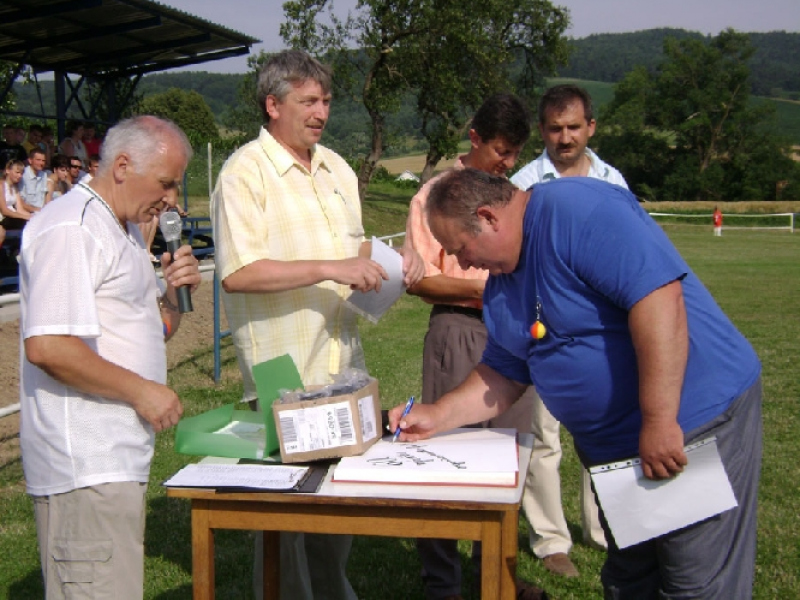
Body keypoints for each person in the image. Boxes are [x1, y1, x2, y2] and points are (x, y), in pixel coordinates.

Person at [390, 168, 762, 599]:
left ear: (488, 217)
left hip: (691, 422)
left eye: (461, 249)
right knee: (632, 580)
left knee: (695, 583)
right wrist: (436, 415)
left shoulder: (579, 209)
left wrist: (660, 420)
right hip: (616, 449)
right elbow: (502, 373)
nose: (464, 263)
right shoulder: (502, 285)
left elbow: (658, 300)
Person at [211, 49, 424, 600]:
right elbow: (238, 272)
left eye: (326, 100)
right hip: (282, 371)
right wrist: (333, 267)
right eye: (308, 100)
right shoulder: (242, 174)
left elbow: (348, 247)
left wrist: (395, 264)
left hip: (341, 361)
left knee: (337, 509)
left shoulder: (337, 168)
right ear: (272, 104)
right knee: (284, 519)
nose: (321, 111)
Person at [19, 115, 202, 599]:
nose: (171, 199)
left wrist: (171, 299)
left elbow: (141, 336)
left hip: (114, 464)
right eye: (165, 183)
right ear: (122, 165)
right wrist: (143, 392)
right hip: (84, 467)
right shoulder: (72, 228)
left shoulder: (116, 229)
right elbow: (48, 345)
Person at [404, 93, 545, 600]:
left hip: (512, 335)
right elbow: (420, 280)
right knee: (441, 454)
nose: (507, 163)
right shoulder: (434, 198)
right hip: (459, 329)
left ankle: (497, 573)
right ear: (475, 138)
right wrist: (488, 290)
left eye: (514, 155)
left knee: (511, 455)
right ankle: (442, 581)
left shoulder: (513, 195)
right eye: (501, 152)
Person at [509, 84, 630, 572]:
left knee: (602, 430)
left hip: (604, 329)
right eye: (555, 128)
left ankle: (602, 528)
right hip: (543, 327)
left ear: (591, 128)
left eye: (573, 128)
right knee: (544, 434)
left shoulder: (613, 182)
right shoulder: (524, 185)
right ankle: (551, 540)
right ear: (542, 131)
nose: (564, 137)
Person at [0, 158, 31, 247]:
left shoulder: (14, 188)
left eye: (21, 173)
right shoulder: (1, 185)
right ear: (8, 171)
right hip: (3, 217)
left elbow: (20, 209)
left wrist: (33, 216)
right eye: (17, 172)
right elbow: (4, 210)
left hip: (11, 217)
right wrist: (25, 217)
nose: (20, 176)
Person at [20, 147, 49, 212]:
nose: (41, 163)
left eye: (43, 161)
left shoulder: (44, 175)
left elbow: (44, 198)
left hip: (41, 212)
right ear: (30, 160)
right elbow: (21, 202)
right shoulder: (23, 175)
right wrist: (37, 211)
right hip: (27, 212)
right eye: (38, 160)